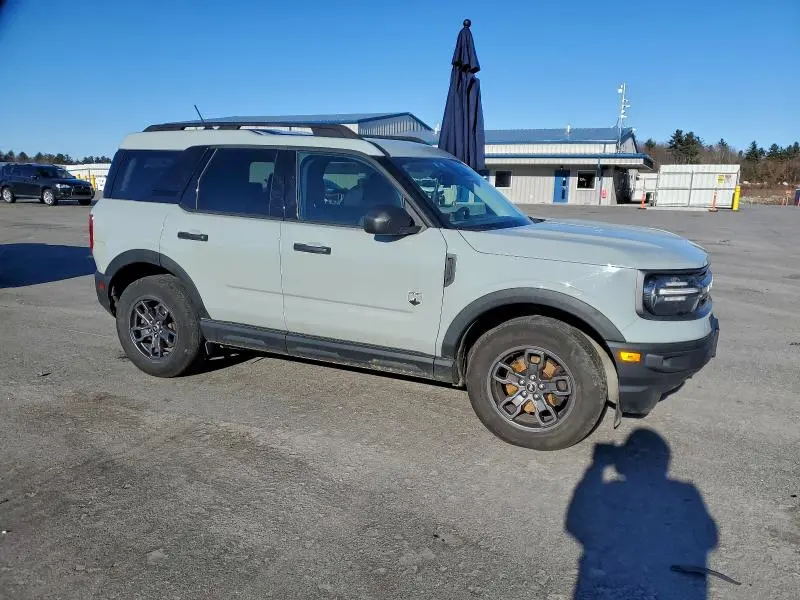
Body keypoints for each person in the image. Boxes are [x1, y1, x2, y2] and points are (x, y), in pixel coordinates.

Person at [566, 429, 718, 599]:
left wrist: (597, 466)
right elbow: (710, 537)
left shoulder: (613, 491)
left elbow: (576, 522)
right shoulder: (685, 492)